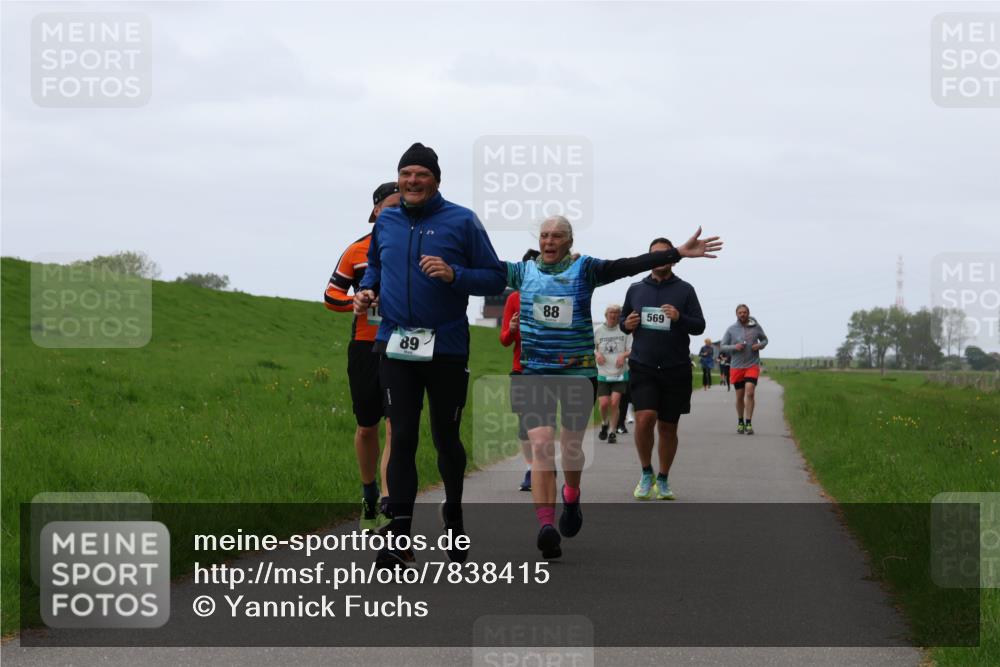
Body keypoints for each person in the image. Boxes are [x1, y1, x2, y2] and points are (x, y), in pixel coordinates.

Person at [506, 218, 721, 558]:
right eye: (544, 235)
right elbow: (481, 270)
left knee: (573, 446)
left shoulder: (588, 270)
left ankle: (572, 496)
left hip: (585, 372)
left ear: (569, 241)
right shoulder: (523, 272)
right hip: (540, 371)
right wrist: (449, 271)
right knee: (544, 444)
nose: (548, 241)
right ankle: (546, 526)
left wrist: (678, 254)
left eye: (556, 235)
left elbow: (630, 265)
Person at [355, 143, 507, 568]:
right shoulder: (387, 221)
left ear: (436, 180)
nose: (412, 181)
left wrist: (455, 273)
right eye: (406, 174)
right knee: (402, 435)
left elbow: (494, 276)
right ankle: (398, 535)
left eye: (421, 174)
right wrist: (366, 291)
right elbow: (375, 267)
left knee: (445, 437)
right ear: (398, 179)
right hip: (395, 343)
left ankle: (454, 514)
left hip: (447, 347)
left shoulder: (462, 220)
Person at [324, 181, 400, 532]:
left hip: (405, 346)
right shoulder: (357, 250)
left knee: (396, 426)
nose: (398, 213)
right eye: (391, 207)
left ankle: (388, 500)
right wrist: (353, 302)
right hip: (366, 347)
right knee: (367, 427)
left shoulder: (417, 247)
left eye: (404, 207)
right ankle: (369, 493)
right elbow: (331, 293)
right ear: (376, 212)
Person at [621, 238, 707, 501]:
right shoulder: (635, 289)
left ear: (673, 259)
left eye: (664, 254)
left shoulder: (685, 290)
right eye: (654, 254)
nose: (659, 258)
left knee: (668, 428)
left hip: (675, 367)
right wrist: (627, 324)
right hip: (643, 365)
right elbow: (624, 321)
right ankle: (646, 472)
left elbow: (699, 326)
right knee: (645, 418)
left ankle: (663, 478)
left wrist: (680, 318)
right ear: (649, 258)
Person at [500, 249, 541, 491]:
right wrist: (512, 329)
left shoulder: (553, 296)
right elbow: (504, 340)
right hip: (521, 369)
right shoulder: (513, 298)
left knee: (541, 423)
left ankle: (541, 466)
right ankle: (530, 468)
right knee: (525, 424)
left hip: (546, 369)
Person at [720, 304, 769, 435]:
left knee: (750, 392)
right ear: (736, 314)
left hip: (752, 365)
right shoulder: (731, 329)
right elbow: (723, 346)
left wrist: (759, 345)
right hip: (737, 367)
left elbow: (765, 340)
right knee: (739, 396)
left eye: (744, 312)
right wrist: (734, 347)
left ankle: (748, 423)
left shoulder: (756, 327)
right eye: (740, 312)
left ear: (748, 313)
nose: (742, 314)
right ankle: (740, 421)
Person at [594, 305, 631, 444]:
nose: (614, 315)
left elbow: (632, 349)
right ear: (606, 314)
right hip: (603, 372)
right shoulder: (598, 330)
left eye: (616, 313)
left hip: (619, 373)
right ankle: (605, 423)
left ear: (620, 315)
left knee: (615, 402)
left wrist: (623, 355)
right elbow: (591, 347)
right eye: (611, 312)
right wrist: (597, 354)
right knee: (604, 404)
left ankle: (612, 432)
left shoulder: (625, 330)